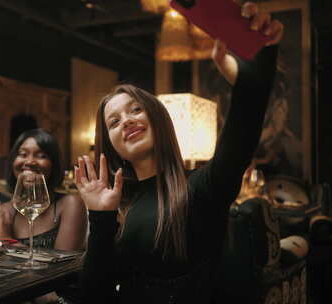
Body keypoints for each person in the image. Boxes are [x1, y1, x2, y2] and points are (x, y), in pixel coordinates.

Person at [74, 2, 284, 303]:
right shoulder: (116, 205)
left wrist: (255, 69)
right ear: (111, 143)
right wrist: (101, 217)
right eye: (114, 121)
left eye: (136, 109)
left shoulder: (202, 187)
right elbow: (94, 296)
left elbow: (240, 139)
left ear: (158, 120)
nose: (127, 120)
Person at [0, 128, 87, 251]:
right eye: (23, 154)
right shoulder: (5, 210)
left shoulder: (71, 204)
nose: (30, 161)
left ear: (53, 165)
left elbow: (63, 260)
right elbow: (0, 262)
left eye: (41, 156)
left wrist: (4, 237)